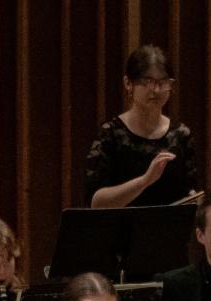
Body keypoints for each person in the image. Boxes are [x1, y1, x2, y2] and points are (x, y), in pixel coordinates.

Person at [85, 45, 199, 208]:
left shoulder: (182, 135)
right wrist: (145, 181)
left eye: (163, 82)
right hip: (121, 225)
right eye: (148, 81)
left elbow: (190, 192)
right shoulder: (111, 134)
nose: (156, 90)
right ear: (128, 83)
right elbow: (96, 203)